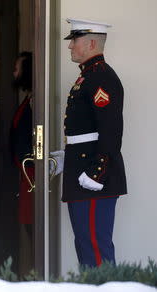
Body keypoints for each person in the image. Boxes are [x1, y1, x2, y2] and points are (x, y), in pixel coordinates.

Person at [58, 18, 127, 267]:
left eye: (74, 41)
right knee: (86, 244)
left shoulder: (101, 77)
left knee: (95, 247)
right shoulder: (89, 76)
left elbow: (110, 131)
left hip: (94, 175)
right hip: (83, 169)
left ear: (91, 43)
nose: (70, 46)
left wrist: (97, 173)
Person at [9, 52, 34, 274]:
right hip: (26, 175)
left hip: (33, 175)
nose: (14, 73)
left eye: (17, 68)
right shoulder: (29, 99)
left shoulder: (36, 101)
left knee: (34, 229)